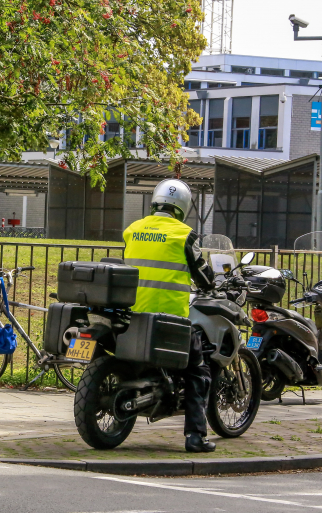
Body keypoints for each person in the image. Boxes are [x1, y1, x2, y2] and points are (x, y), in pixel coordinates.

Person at [122, 179, 217, 453]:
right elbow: (202, 275)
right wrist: (211, 284)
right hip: (170, 319)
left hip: (132, 315)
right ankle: (196, 437)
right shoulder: (184, 235)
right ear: (183, 206)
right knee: (199, 371)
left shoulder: (133, 230)